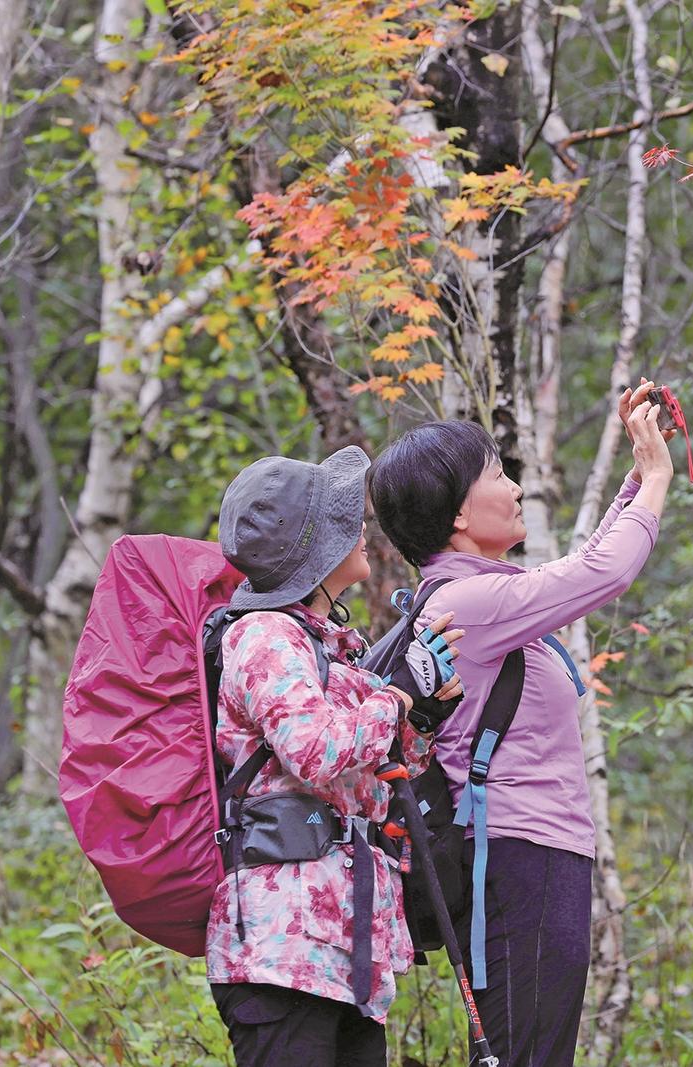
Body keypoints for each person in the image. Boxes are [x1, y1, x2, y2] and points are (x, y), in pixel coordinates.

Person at [368, 382, 676, 1067]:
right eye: (497, 475)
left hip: (527, 853)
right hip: (516, 855)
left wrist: (635, 479)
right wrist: (657, 478)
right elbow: (603, 572)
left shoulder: (482, 596)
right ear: (457, 515)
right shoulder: (471, 602)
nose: (514, 488)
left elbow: (581, 569)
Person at [206, 445, 466, 1067]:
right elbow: (314, 750)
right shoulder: (264, 636)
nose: (363, 532)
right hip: (282, 947)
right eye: (346, 524)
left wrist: (422, 714)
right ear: (315, 552)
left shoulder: (331, 648)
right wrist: (397, 700)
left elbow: (378, 776)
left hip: (345, 950)